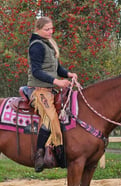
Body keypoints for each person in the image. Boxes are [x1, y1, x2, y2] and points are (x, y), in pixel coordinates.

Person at [27, 16, 78, 173]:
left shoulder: (48, 44)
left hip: (51, 88)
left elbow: (56, 68)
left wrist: (69, 74)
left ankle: (60, 150)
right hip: (39, 89)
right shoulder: (36, 46)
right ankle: (39, 153)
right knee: (51, 118)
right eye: (47, 29)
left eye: (51, 29)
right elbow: (36, 71)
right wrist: (57, 82)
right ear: (38, 29)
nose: (50, 32)